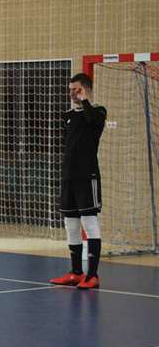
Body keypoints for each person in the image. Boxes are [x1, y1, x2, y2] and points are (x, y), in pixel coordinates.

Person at [50, 73, 107, 290]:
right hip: (69, 178)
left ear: (86, 89)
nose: (72, 94)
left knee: (89, 222)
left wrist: (84, 100)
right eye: (71, 90)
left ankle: (92, 275)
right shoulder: (67, 115)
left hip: (87, 176)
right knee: (70, 224)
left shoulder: (98, 112)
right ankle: (76, 272)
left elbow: (92, 120)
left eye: (77, 89)